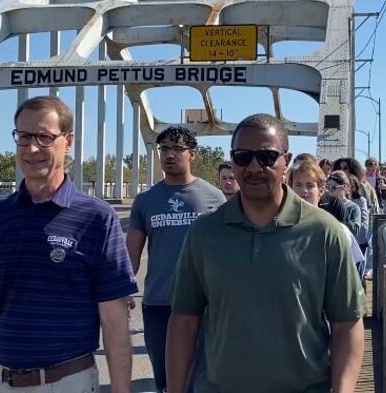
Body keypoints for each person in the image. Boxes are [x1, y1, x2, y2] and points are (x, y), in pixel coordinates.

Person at [0, 96, 137, 393]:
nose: (32, 148)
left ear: (68, 141)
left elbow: (114, 320)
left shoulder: (98, 218)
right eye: (23, 137)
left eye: (45, 137)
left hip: (66, 383)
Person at [166, 113, 365, 393]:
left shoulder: (325, 232)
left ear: (286, 161)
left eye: (267, 156)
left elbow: (347, 323)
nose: (254, 167)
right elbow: (184, 321)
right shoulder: (204, 233)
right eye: (243, 157)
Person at [127, 126, 226, 393]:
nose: (169, 155)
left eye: (177, 149)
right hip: (159, 304)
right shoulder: (146, 201)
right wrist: (122, 292)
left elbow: (227, 252)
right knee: (166, 381)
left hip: (203, 306)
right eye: (164, 149)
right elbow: (131, 254)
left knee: (201, 379)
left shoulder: (214, 198)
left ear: (192, 154)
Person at [327, 170, 362, 238]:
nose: (329, 191)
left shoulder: (353, 207)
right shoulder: (324, 204)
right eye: (328, 187)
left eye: (333, 188)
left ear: (344, 187)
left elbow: (355, 231)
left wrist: (341, 207)